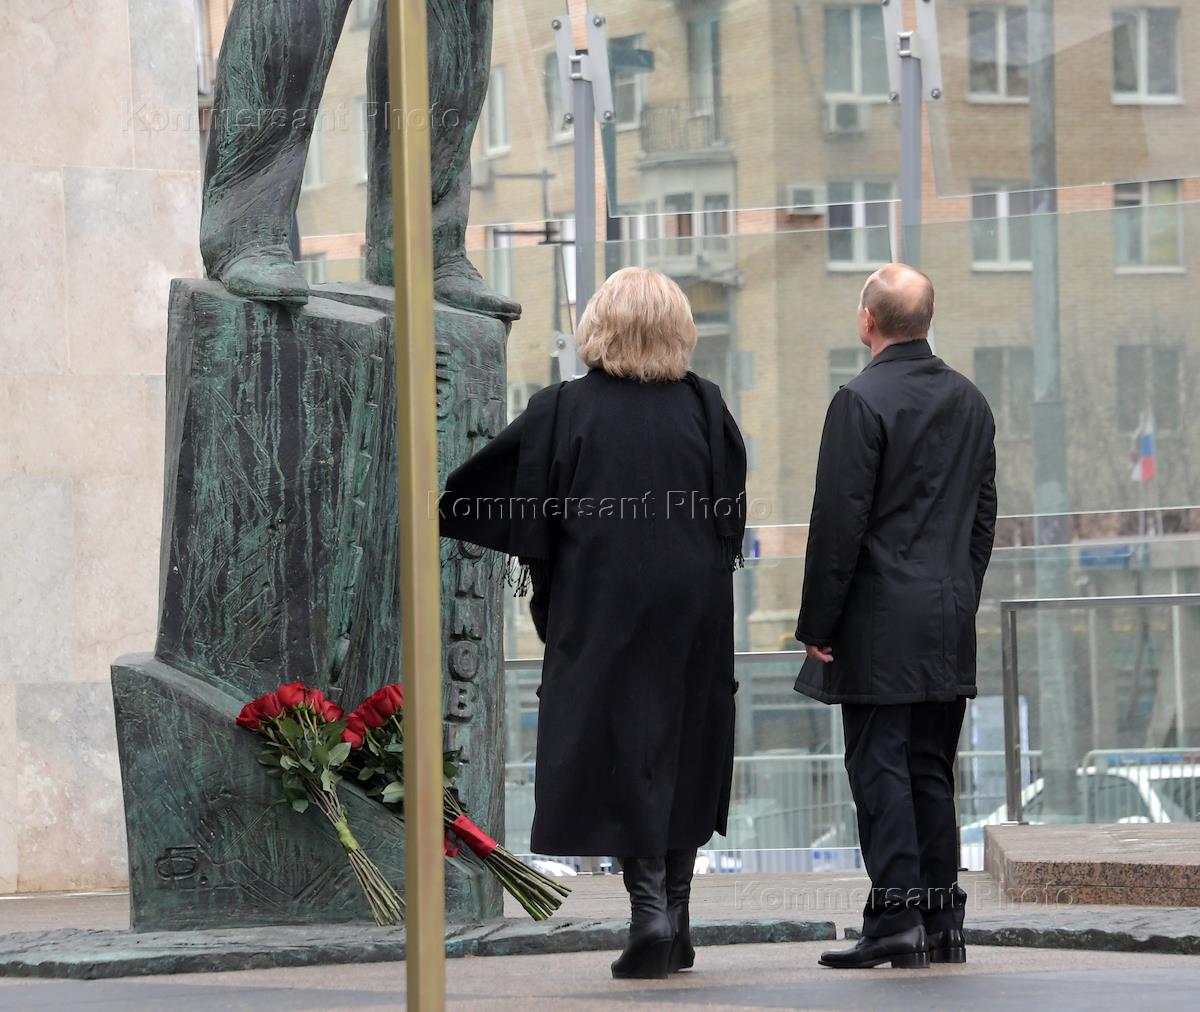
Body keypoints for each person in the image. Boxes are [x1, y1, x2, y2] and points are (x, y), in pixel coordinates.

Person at [440, 267, 746, 979]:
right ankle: (675, 913)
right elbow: (728, 507)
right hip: (694, 608)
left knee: (621, 744)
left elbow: (475, 492)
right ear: (676, 329)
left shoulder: (564, 409)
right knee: (684, 744)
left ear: (598, 327)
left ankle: (650, 913)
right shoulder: (706, 405)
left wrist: (542, 563)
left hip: (602, 605)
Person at [794, 264, 997, 970]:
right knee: (932, 771)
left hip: (878, 624)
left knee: (880, 773)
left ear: (867, 321)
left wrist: (817, 621)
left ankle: (894, 924)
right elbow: (982, 519)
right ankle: (943, 922)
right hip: (948, 618)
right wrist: (959, 590)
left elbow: (838, 524)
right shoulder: (971, 401)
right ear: (927, 319)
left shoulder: (859, 400)